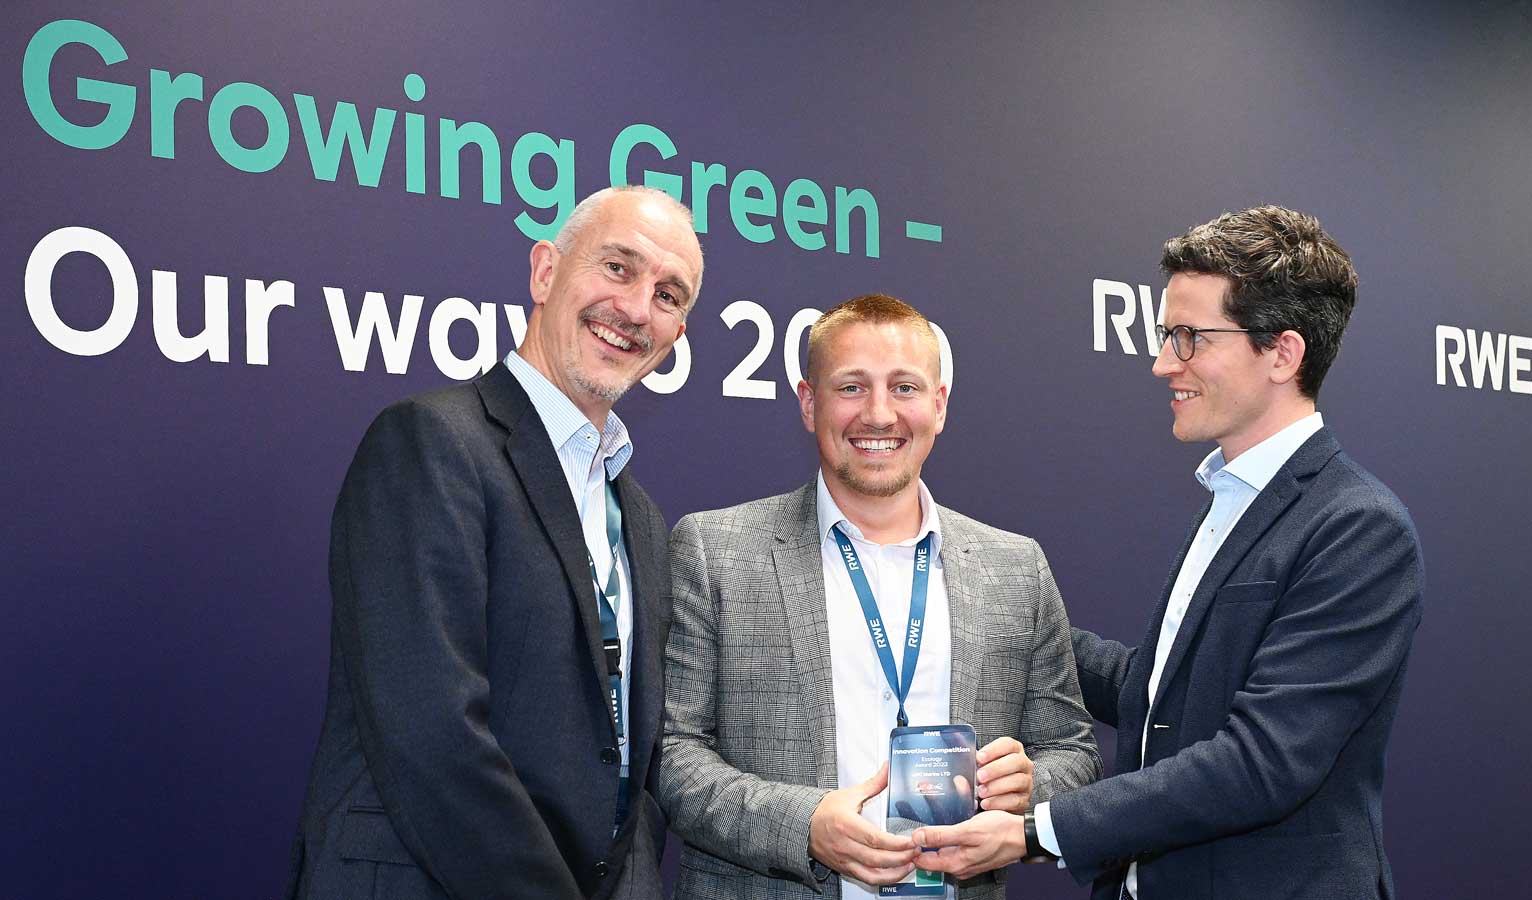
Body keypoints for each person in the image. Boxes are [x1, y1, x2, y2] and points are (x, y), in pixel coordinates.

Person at [911, 206, 1425, 900]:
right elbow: (1162, 697)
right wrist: (1021, 619)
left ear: (1282, 352)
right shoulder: (1232, 498)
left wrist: (1035, 830)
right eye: (1165, 336)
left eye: (1189, 339)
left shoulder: (1359, 528)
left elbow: (1261, 762)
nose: (1162, 364)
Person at [285, 185, 703, 900]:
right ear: (545, 272)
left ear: (676, 337)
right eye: (618, 268)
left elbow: (632, 767)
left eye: (669, 295)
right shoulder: (431, 445)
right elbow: (432, 737)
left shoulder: (641, 519)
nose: (637, 308)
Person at [659, 294, 1101, 900]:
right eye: (851, 387)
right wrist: (804, 825)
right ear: (809, 403)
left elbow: (1071, 752)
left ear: (939, 405)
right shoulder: (715, 549)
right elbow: (674, 757)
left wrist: (1030, 787)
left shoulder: (1016, 567)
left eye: (904, 387)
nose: (879, 413)